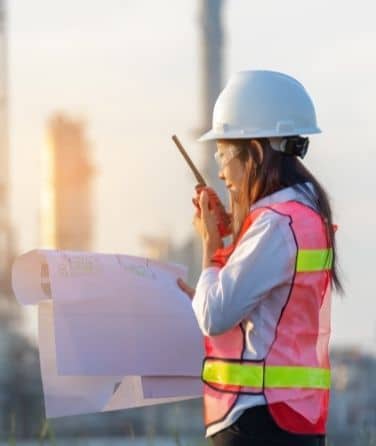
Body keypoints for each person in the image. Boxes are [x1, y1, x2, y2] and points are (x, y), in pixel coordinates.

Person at [177, 70, 342, 446]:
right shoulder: (303, 217)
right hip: (293, 418)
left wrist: (212, 245)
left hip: (257, 421)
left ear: (252, 151)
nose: (220, 171)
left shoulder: (274, 226)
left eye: (222, 154)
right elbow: (272, 319)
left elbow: (214, 316)